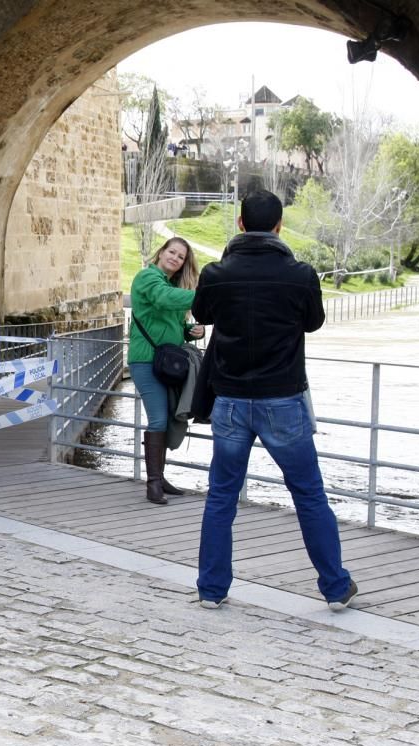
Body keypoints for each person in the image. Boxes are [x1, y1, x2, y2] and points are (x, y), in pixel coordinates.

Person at [191, 189, 357, 612]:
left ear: (240, 225)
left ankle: (212, 589)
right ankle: (335, 588)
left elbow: (203, 315)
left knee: (221, 495)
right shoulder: (300, 274)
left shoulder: (215, 273)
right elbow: (314, 322)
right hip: (282, 398)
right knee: (308, 494)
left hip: (229, 399)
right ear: (279, 226)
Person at [128, 237, 204, 504]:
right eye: (172, 252)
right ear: (161, 253)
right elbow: (162, 300)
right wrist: (205, 294)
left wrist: (191, 331)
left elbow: (171, 323)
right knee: (159, 419)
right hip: (146, 362)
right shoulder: (148, 278)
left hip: (167, 364)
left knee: (168, 418)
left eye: (181, 256)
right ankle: (153, 485)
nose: (175, 258)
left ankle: (160, 477)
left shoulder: (171, 285)